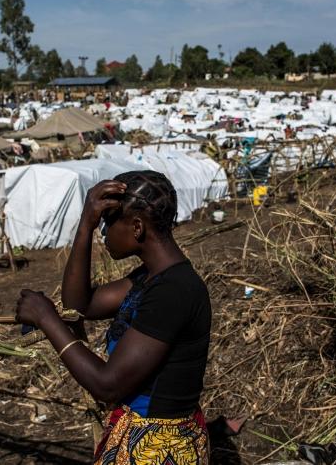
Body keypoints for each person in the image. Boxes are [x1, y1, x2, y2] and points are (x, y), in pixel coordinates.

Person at [15, 171, 211, 464]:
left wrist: (47, 319)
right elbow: (80, 304)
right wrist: (85, 225)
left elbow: (108, 384)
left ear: (136, 227)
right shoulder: (150, 279)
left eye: (107, 223)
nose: (103, 233)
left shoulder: (175, 291)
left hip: (159, 449)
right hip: (144, 437)